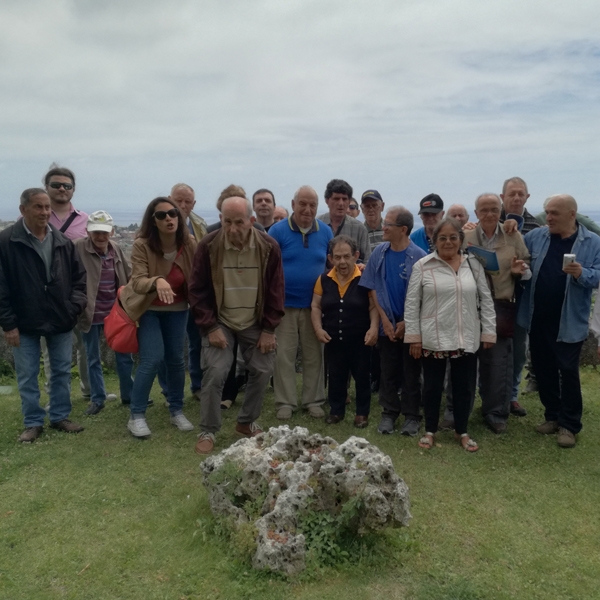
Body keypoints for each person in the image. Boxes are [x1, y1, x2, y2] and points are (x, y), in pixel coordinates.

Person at [189, 197, 285, 454]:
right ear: (220, 219)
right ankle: (208, 429)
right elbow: (197, 290)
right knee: (216, 372)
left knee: (263, 368)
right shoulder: (208, 246)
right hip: (220, 319)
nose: (232, 228)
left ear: (251, 221)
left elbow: (276, 290)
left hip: (254, 320)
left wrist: (268, 329)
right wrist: (210, 327)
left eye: (239, 222)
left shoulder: (268, 247)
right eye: (227, 221)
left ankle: (246, 422)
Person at [0, 188, 86, 442]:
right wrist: (8, 323)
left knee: (60, 370)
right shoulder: (7, 242)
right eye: (38, 207)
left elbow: (79, 280)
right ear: (23, 210)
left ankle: (59, 416)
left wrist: (74, 308)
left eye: (47, 207)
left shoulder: (61, 241)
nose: (45, 212)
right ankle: (33, 422)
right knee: (27, 375)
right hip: (23, 320)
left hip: (60, 317)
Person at [405, 218, 496, 452]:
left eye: (453, 237)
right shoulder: (423, 265)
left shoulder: (473, 265)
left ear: (461, 240)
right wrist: (414, 336)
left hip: (465, 336)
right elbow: (412, 303)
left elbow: (485, 299)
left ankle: (462, 431)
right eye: (442, 238)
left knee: (464, 386)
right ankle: (430, 431)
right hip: (433, 336)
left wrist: (488, 332)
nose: (448, 242)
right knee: (432, 387)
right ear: (434, 241)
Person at [517, 194, 600, 448]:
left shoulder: (592, 242)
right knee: (543, 369)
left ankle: (569, 425)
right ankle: (552, 415)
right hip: (538, 317)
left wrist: (581, 274)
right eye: (547, 212)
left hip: (569, 319)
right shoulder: (536, 237)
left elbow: (597, 277)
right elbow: (518, 254)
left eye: (554, 213)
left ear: (572, 215)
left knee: (568, 371)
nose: (548, 217)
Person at [120, 197, 197, 437]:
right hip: (149, 309)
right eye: (161, 215)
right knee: (152, 359)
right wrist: (157, 280)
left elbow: (199, 275)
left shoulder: (189, 244)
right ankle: (137, 415)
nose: (169, 219)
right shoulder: (143, 244)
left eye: (172, 213)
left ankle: (176, 409)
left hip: (178, 309)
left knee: (175, 360)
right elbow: (138, 280)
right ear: (153, 221)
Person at [464, 194, 530, 433]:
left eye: (494, 209)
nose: (490, 214)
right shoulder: (466, 236)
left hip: (500, 305)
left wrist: (518, 271)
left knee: (498, 363)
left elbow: (526, 265)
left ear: (501, 210)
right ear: (476, 212)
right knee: (465, 360)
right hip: (469, 306)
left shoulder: (513, 235)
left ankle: (495, 413)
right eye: (484, 209)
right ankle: (459, 410)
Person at [359, 206, 426, 435]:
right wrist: (385, 322)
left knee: (411, 372)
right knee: (388, 370)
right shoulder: (380, 253)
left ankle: (412, 415)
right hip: (387, 326)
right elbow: (373, 288)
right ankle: (388, 413)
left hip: (411, 326)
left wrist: (407, 322)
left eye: (388, 224)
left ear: (404, 229)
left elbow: (424, 296)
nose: (383, 227)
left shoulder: (419, 257)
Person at [268, 185, 333, 419]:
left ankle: (313, 400)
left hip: (315, 307)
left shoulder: (326, 232)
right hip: (283, 306)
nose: (307, 209)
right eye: (302, 204)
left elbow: (331, 267)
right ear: (293, 205)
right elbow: (267, 269)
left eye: (312, 205)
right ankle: (285, 402)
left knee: (314, 354)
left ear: (317, 207)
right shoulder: (276, 232)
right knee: (283, 355)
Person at [311, 236, 379, 427]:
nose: (342, 262)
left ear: (356, 256)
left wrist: (374, 328)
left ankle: (362, 413)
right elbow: (316, 306)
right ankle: (336, 410)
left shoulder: (365, 277)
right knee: (336, 376)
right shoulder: (323, 280)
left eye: (347, 256)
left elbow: (374, 307)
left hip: (360, 339)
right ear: (331, 258)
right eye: (337, 257)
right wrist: (318, 329)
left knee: (362, 376)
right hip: (333, 338)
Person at [74, 211, 134, 415]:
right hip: (89, 312)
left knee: (124, 355)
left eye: (105, 233)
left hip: (115, 313)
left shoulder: (115, 249)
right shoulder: (77, 247)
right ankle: (97, 398)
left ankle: (129, 394)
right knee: (92, 357)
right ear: (88, 232)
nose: (100, 237)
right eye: (96, 232)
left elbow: (127, 274)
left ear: (112, 232)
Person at [43, 165, 91, 399]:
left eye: (67, 185)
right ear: (46, 187)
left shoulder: (84, 220)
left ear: (73, 189)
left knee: (86, 344)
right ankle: (55, 395)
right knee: (50, 348)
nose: (62, 189)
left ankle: (90, 390)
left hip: (78, 290)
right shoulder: (34, 215)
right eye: (56, 185)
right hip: (47, 293)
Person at [163, 183, 206, 400]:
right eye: (177, 200)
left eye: (187, 201)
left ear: (193, 204)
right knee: (168, 347)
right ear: (169, 198)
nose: (182, 205)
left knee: (197, 342)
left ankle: (197, 385)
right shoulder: (158, 222)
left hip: (193, 294)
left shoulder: (199, 225)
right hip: (165, 296)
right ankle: (169, 389)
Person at [318, 179, 370, 262]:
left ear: (349, 201)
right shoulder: (317, 225)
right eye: (336, 199)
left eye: (344, 199)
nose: (341, 203)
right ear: (327, 201)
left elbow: (368, 261)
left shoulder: (359, 228)